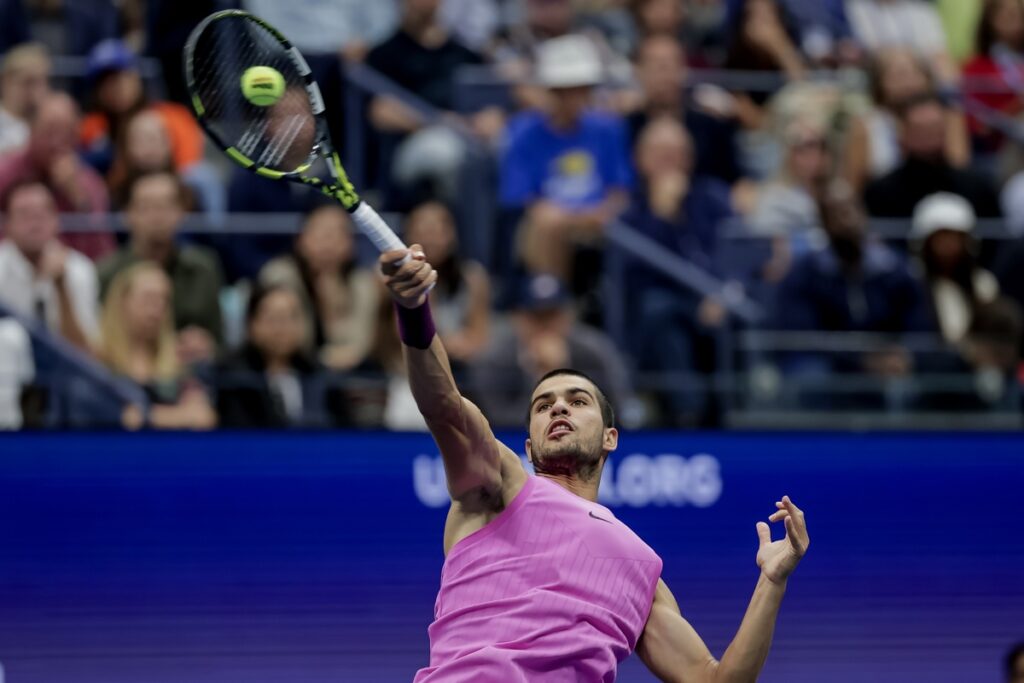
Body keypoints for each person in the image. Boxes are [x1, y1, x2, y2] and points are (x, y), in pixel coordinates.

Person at [378, 241, 810, 681]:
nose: (558, 409)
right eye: (543, 406)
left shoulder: (640, 567)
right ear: (528, 449)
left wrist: (771, 583)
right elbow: (445, 405)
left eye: (577, 400)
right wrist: (414, 312)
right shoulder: (497, 491)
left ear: (610, 438)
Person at [621, 116, 734, 425]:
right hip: (658, 312)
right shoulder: (632, 211)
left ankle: (733, 412)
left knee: (734, 317)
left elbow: (736, 251)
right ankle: (689, 413)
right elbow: (634, 273)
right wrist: (662, 216)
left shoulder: (712, 198)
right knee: (661, 311)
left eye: (676, 154)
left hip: (713, 303)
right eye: (660, 154)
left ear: (690, 159)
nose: (669, 162)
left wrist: (722, 293)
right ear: (640, 160)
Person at [775, 181, 928, 404]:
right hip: (832, 364)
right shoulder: (806, 273)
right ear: (824, 224)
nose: (846, 220)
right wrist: (861, 360)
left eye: (851, 209)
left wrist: (904, 354)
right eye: (835, 213)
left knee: (913, 382)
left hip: (888, 360)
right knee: (809, 377)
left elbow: (919, 322)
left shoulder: (894, 268)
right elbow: (805, 336)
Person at [500, 34, 632, 282]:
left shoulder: (608, 128)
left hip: (599, 224)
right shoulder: (523, 132)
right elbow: (523, 200)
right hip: (546, 226)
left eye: (580, 89)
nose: (573, 98)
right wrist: (570, 218)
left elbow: (620, 192)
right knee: (546, 223)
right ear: (550, 91)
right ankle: (552, 304)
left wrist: (596, 215)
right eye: (564, 91)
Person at [470, 273, 633, 428]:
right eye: (536, 316)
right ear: (518, 318)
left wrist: (562, 373)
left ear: (568, 315)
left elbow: (617, 410)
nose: (545, 325)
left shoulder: (594, 350)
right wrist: (540, 377)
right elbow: (497, 421)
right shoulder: (495, 358)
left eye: (552, 315)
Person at [98, 171, 224, 364]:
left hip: (191, 374)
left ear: (182, 212)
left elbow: (219, 340)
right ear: (127, 214)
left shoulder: (203, 269)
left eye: (166, 206)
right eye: (146, 207)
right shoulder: (106, 273)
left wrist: (207, 345)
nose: (157, 216)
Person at [214, 283, 352, 429]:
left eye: (291, 317)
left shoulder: (321, 376)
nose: (283, 328)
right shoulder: (232, 378)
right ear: (252, 324)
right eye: (274, 319)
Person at [259, 204, 379, 371]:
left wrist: (334, 311)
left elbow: (360, 345)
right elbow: (291, 342)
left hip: (351, 375)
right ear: (300, 240)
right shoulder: (280, 275)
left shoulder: (362, 282)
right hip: (294, 370)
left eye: (336, 234)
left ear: (350, 244)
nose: (328, 244)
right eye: (321, 233)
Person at [99, 261, 217, 431]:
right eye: (148, 298)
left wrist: (146, 416)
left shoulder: (180, 359)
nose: (157, 308)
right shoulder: (98, 358)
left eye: (164, 300)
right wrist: (179, 416)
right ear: (122, 301)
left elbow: (203, 417)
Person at [0, 92, 114, 261]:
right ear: (31, 130)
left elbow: (103, 251)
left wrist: (77, 195)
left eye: (67, 133)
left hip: (70, 271)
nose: (57, 142)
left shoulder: (89, 182)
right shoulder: (5, 170)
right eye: (49, 132)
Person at [842, 47, 969, 193]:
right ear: (880, 83)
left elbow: (958, 166)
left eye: (913, 73)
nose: (907, 83)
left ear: (926, 78)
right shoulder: (865, 124)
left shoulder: (949, 116)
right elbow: (853, 184)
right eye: (898, 75)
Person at [624, 35, 744, 187]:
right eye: (655, 66)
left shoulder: (712, 128)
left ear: (684, 70)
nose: (663, 75)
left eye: (671, 65)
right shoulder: (624, 127)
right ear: (638, 72)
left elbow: (735, 181)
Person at [78, 39, 204, 179]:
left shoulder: (172, 116)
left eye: (119, 77)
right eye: (104, 81)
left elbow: (188, 168)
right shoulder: (92, 127)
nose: (114, 86)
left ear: (135, 76)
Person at [864, 94, 1001, 220]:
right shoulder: (880, 193)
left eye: (934, 128)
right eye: (920, 130)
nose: (929, 136)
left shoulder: (978, 189)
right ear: (904, 134)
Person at [0, 181, 99, 352]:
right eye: (24, 215)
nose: (34, 224)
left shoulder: (80, 269)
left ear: (56, 221)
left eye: (41, 215)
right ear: (7, 224)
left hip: (63, 373)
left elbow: (85, 353)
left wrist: (61, 288)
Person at [403, 200, 491, 365]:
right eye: (423, 233)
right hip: (410, 366)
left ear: (452, 235)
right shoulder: (399, 280)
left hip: (463, 365)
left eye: (436, 233)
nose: (430, 241)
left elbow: (481, 333)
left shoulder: (473, 277)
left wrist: (467, 344)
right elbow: (402, 335)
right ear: (409, 236)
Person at [108, 109, 225, 218]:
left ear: (169, 143)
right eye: (140, 139)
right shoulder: (115, 194)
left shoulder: (192, 190)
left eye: (154, 138)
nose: (149, 147)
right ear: (127, 146)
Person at [962, 0, 1024, 157]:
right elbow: (980, 128)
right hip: (1000, 150)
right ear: (989, 21)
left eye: (1017, 14)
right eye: (1004, 14)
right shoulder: (976, 68)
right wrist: (1016, 106)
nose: (1013, 19)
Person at [844, 0, 957, 83]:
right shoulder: (854, 8)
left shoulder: (922, 10)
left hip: (922, 73)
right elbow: (870, 49)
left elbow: (939, 54)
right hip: (874, 76)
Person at [0, 42, 51, 156]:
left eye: (42, 82)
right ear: (6, 81)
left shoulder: (51, 122)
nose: (38, 91)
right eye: (29, 82)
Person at [0, 317, 34, 430]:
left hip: (11, 416)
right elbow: (28, 377)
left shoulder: (15, 332)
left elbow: (28, 377)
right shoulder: (16, 332)